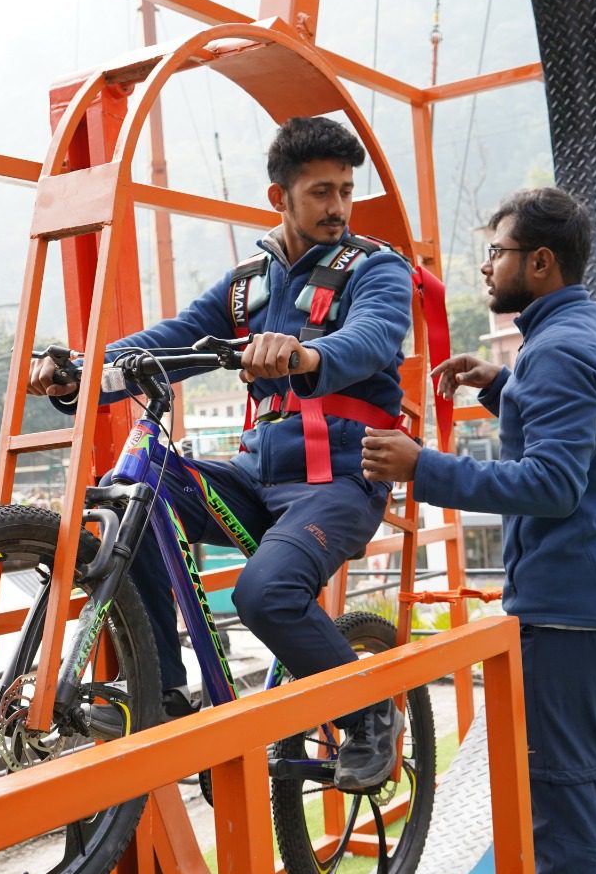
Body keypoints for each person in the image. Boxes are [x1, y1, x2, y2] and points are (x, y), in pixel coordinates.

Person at [30, 115, 412, 790]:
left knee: (264, 593)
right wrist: (81, 371)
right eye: (321, 192)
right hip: (255, 476)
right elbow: (171, 339)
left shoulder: (375, 269)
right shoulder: (246, 286)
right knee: (132, 499)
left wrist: (306, 354)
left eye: (345, 191)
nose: (338, 207)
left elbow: (375, 337)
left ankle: (371, 713)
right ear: (280, 197)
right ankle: (165, 693)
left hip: (339, 481)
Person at [361, 187, 596, 874]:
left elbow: (552, 483)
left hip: (568, 614)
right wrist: (499, 384)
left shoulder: (557, 350)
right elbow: (581, 426)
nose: (486, 266)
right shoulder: (594, 332)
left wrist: (423, 467)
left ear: (540, 263)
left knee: (565, 806)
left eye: (497, 252)